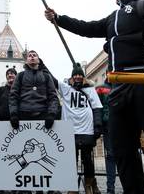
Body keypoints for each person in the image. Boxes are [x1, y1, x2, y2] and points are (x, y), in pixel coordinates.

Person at [45, 0, 144, 194]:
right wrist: (59, 19)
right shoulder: (113, 17)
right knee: (122, 151)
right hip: (120, 88)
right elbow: (86, 27)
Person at [58, 64, 103, 194]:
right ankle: (72, 186)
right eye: (75, 75)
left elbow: (97, 109)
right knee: (71, 160)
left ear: (83, 78)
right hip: (70, 131)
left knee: (88, 159)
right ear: (72, 78)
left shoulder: (90, 90)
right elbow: (52, 79)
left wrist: (97, 127)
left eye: (80, 75)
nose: (77, 77)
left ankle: (89, 184)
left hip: (87, 131)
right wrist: (42, 65)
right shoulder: (66, 89)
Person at [9, 51, 59, 130]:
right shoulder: (20, 76)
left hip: (43, 115)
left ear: (38, 60)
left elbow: (53, 96)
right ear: (26, 61)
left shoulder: (46, 76)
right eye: (30, 56)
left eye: (34, 55)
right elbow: (13, 96)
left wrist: (51, 114)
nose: (32, 57)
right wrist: (13, 114)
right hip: (23, 115)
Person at [95, 80, 116, 194]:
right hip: (109, 126)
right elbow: (98, 108)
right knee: (111, 156)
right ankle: (110, 189)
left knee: (127, 157)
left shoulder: (125, 83)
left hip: (125, 125)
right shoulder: (101, 88)